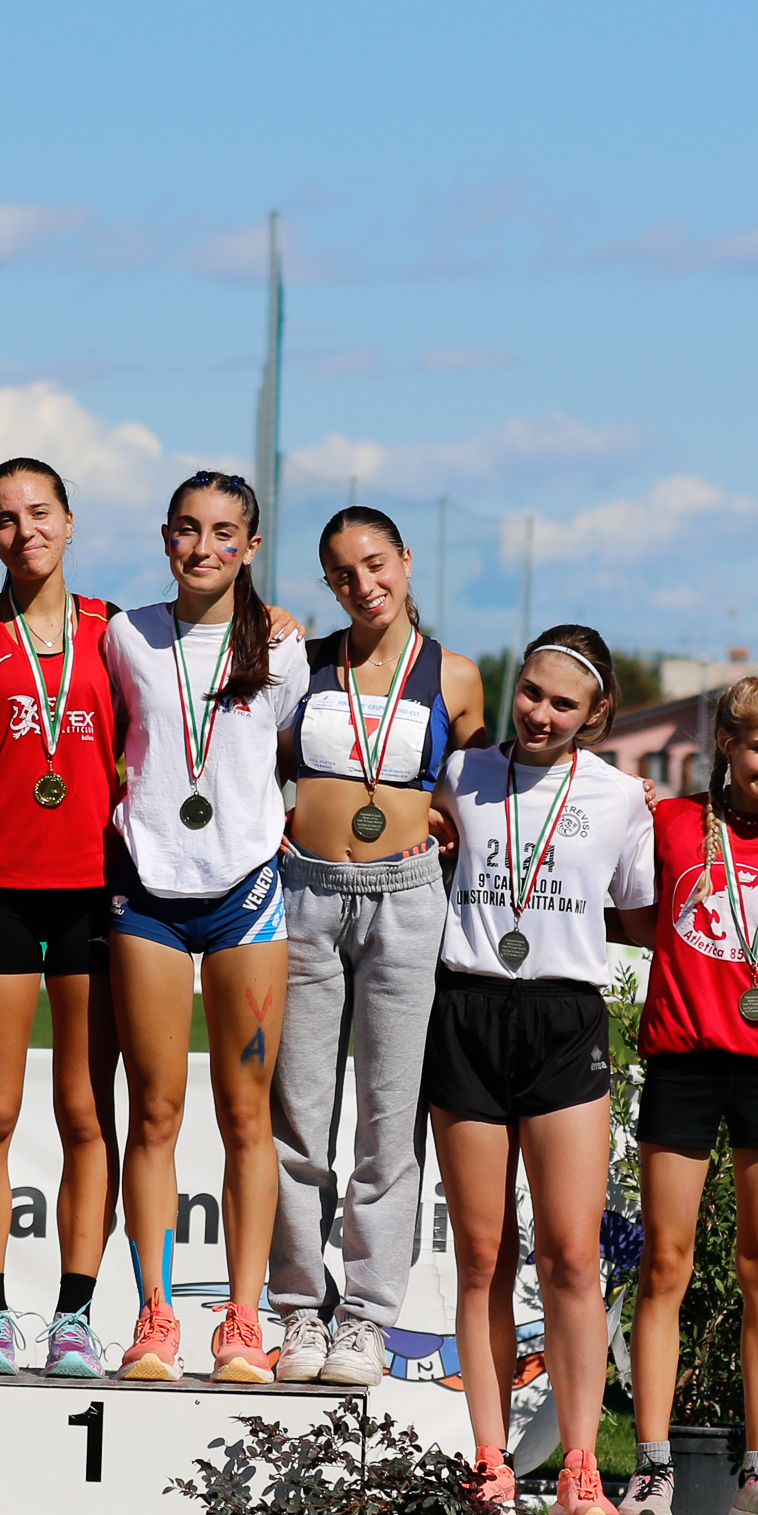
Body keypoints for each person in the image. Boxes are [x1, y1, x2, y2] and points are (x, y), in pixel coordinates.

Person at [428, 626, 654, 1515]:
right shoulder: (463, 774)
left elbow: (636, 914)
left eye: (565, 704)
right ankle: (489, 1460)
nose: (542, 714)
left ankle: (580, 1467)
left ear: (595, 714)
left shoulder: (619, 797)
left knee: (569, 1255)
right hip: (469, 1012)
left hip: (565, 1020)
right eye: (531, 692)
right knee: (483, 1255)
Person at [269, 506, 487, 1387]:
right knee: (298, 1114)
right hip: (306, 894)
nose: (364, 585)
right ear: (328, 584)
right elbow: (255, 757)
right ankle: (298, 1308)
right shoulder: (303, 662)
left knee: (389, 1120)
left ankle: (366, 1317)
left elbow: (481, 790)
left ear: (405, 560)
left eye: (375, 564)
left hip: (406, 900)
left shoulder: (455, 675)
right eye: (342, 574)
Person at [620, 674, 758, 1515]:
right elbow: (633, 914)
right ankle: (652, 1472)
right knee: (665, 1265)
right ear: (726, 746)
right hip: (684, 1063)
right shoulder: (670, 823)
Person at [103, 471, 302, 1384]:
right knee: (155, 1110)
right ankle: (154, 1316)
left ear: (251, 547)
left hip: (245, 894)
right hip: (147, 889)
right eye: (187, 529)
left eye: (225, 533)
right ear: (165, 536)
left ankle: (243, 1320)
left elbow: (303, 757)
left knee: (245, 1114)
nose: (204, 548)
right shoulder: (125, 635)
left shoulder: (284, 648)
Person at [0, 458, 123, 1378]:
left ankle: (76, 1319)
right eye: (6, 519)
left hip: (94, 889)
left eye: (41, 512)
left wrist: (274, 617)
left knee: (85, 1111)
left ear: (69, 520)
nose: (26, 532)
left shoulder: (118, 631)